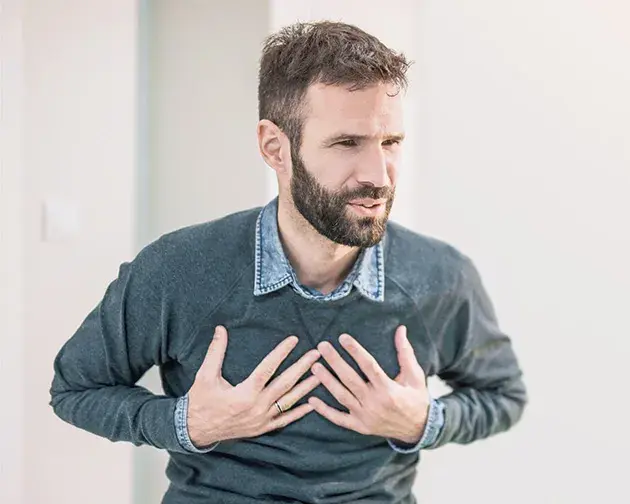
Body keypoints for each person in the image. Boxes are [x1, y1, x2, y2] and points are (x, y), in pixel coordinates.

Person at [49, 21, 527, 504]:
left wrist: (425, 421)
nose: (378, 175)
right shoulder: (178, 269)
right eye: (347, 144)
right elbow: (75, 389)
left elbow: (504, 396)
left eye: (391, 143)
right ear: (275, 148)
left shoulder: (441, 276)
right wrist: (186, 422)